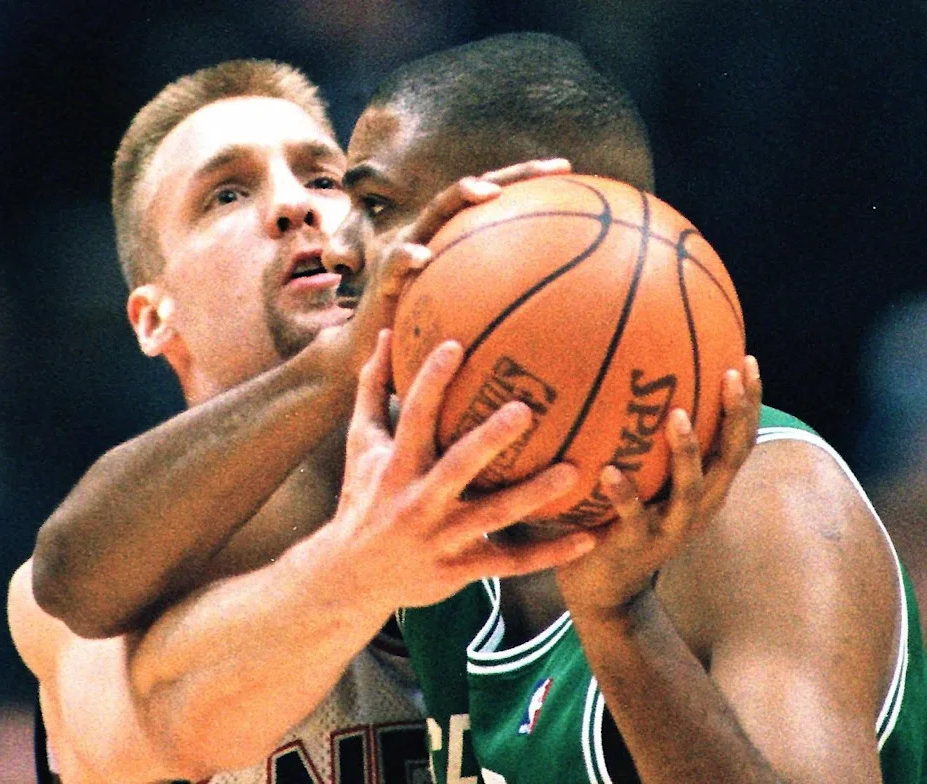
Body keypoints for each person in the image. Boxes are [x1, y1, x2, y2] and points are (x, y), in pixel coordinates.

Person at [5, 57, 636, 783]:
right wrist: (356, 564)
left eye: (326, 181)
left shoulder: (522, 473)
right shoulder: (85, 599)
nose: (296, 206)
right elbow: (143, 733)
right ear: (154, 318)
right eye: (226, 194)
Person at [321, 33, 927, 783]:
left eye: (377, 206)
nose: (338, 248)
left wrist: (622, 624)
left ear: (536, 220)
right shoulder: (408, 478)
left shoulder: (767, 505)